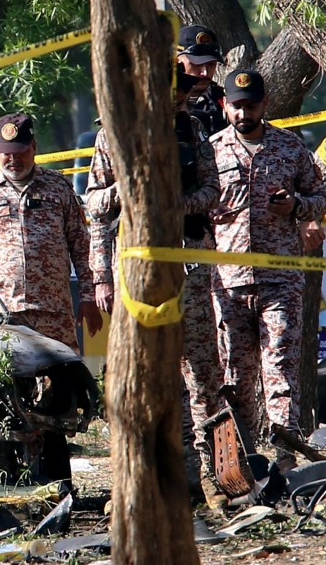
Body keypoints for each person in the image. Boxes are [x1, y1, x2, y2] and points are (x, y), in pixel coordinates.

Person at [84, 64, 223, 497]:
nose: (179, 99)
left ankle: (212, 473)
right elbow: (93, 205)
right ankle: (155, 474)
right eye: (171, 92)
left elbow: (213, 191)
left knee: (201, 372)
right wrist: (101, 276)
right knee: (147, 371)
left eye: (182, 93)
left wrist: (177, 204)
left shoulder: (193, 130)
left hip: (189, 262)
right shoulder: (115, 135)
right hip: (137, 272)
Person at [209, 69, 326, 453]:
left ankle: (284, 456)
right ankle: (245, 458)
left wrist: (297, 206)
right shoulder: (211, 151)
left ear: (265, 104)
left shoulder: (290, 148)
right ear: (225, 106)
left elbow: (319, 197)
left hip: (281, 280)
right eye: (237, 107)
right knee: (237, 377)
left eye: (251, 106)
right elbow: (194, 206)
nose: (244, 114)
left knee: (280, 370)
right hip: (230, 282)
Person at [0, 113, 102, 351]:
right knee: (5, 373)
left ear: (33, 148)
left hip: (52, 312)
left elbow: (81, 247)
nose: (13, 160)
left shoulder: (59, 188)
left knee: (61, 372)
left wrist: (88, 297)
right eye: (6, 154)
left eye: (19, 152)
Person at [177, 24, 228, 135]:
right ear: (177, 61)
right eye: (196, 64)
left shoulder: (224, 101)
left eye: (211, 64)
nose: (204, 73)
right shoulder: (162, 99)